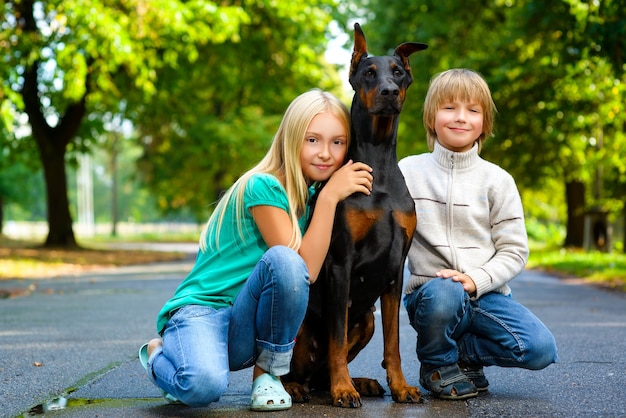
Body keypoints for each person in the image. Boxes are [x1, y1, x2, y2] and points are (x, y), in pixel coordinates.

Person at [139, 89, 373, 410]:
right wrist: (331, 197)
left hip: (244, 324)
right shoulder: (264, 186)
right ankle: (156, 353)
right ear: (291, 139)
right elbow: (304, 268)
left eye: (338, 142)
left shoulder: (312, 195)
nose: (325, 153)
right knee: (200, 387)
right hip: (203, 312)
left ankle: (268, 378)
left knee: (287, 263)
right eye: (312, 140)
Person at [399, 69, 557, 400]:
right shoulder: (408, 171)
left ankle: (465, 356)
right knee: (445, 294)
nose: (460, 118)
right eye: (449, 108)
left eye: (472, 110)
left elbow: (514, 250)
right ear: (431, 117)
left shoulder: (497, 180)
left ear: (484, 122)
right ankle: (437, 364)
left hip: (487, 296)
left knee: (540, 349)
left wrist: (476, 279)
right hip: (433, 297)